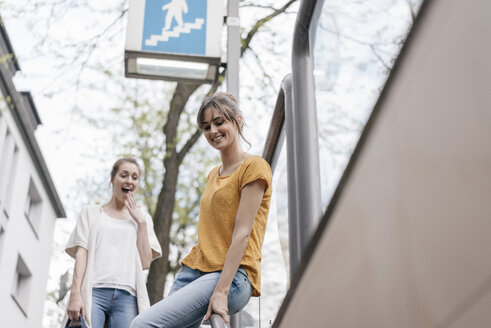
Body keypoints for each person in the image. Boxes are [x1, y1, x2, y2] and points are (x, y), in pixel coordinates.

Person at [130, 92, 273, 328]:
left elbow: (242, 233)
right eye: (206, 126)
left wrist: (221, 291)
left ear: (237, 121)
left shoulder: (253, 167)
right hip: (193, 270)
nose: (213, 131)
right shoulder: (212, 174)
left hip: (232, 276)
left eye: (219, 122)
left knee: (141, 325)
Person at [62, 158, 162, 328]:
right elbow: (82, 253)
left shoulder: (143, 219)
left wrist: (141, 223)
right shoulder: (91, 213)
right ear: (112, 178)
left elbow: (145, 262)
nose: (129, 180)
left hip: (127, 297)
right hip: (94, 291)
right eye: (124, 175)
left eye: (134, 177)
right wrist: (75, 292)